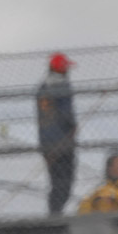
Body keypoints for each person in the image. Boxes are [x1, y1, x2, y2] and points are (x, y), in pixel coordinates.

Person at [37, 52, 77, 215]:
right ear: (61, 69)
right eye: (66, 67)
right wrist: (73, 126)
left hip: (46, 143)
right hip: (64, 143)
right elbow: (66, 114)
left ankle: (54, 212)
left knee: (55, 182)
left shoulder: (42, 88)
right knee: (65, 183)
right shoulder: (62, 86)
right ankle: (56, 213)